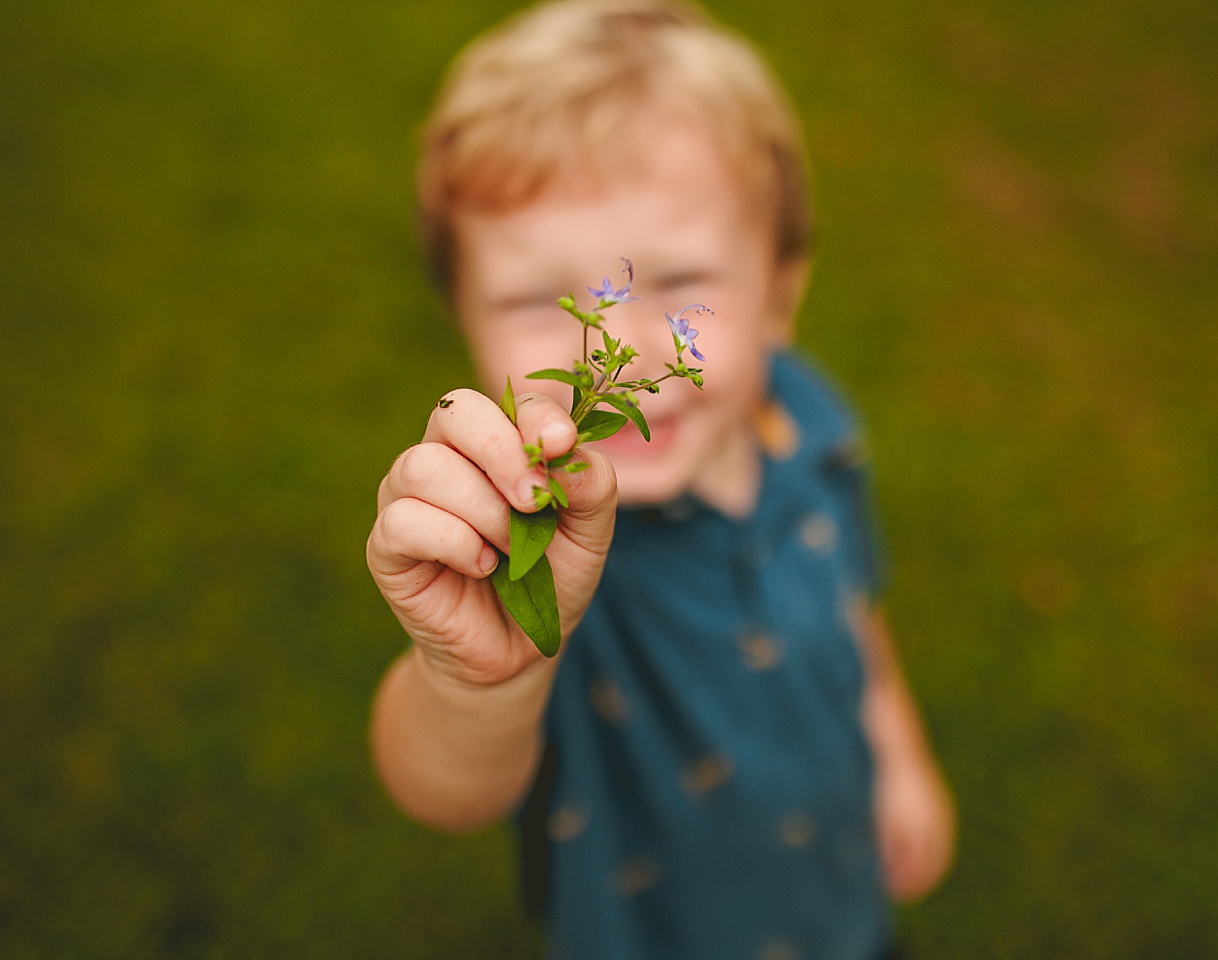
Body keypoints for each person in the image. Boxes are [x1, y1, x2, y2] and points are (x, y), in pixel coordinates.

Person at [366, 2, 954, 957]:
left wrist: (898, 755)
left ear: (781, 292)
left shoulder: (813, 427)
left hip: (836, 899)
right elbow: (442, 787)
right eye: (538, 302)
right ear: (464, 321)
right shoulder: (533, 539)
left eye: (683, 285)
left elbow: (854, 607)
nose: (630, 347)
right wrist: (472, 681)